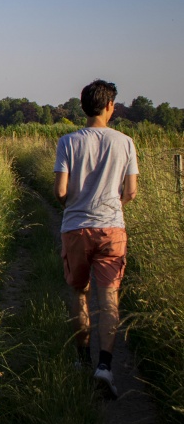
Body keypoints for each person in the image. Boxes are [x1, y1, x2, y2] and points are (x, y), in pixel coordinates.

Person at [54, 79, 138, 399]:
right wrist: (113, 207)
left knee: (79, 293)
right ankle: (105, 367)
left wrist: (75, 206)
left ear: (84, 106)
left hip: (75, 227)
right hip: (111, 228)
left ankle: (81, 361)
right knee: (109, 297)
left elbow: (60, 192)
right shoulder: (125, 143)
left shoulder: (68, 142)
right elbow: (130, 192)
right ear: (109, 107)